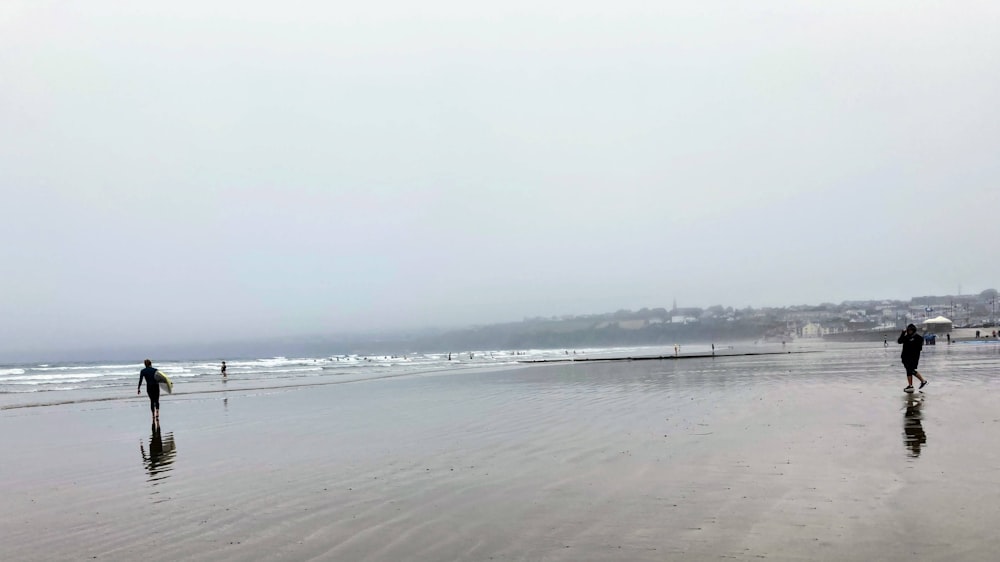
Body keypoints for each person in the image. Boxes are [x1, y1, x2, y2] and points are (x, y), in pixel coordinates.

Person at [897, 324, 928, 392]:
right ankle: (910, 386)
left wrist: (912, 344)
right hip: (905, 357)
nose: (909, 331)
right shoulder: (906, 337)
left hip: (913, 357)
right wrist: (902, 333)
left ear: (913, 330)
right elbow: (899, 341)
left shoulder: (918, 338)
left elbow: (920, 347)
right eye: (908, 330)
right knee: (908, 370)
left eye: (911, 330)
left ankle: (923, 381)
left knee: (910, 370)